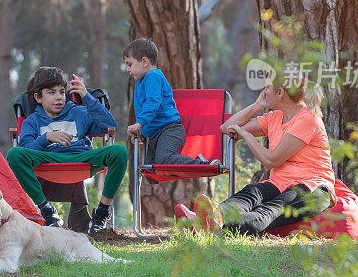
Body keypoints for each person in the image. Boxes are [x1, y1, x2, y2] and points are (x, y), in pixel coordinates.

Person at [190, 78, 335, 235]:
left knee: (269, 210)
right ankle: (212, 216)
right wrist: (257, 105)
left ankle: (218, 227)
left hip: (311, 186)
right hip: (279, 183)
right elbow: (226, 127)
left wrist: (246, 135)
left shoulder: (308, 119)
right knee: (251, 193)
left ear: (280, 93)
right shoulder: (274, 117)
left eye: (266, 88)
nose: (263, 92)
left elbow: (271, 160)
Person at [6, 66, 128, 235]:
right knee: (13, 154)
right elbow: (25, 149)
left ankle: (101, 213)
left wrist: (86, 97)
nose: (59, 98)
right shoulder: (32, 121)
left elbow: (110, 126)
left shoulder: (79, 112)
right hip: (49, 160)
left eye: (62, 92)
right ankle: (47, 211)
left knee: (119, 152)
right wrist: (46, 137)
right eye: (51, 92)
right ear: (38, 97)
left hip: (82, 159)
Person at [123, 38, 219, 166]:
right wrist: (141, 132)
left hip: (170, 130)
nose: (127, 69)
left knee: (164, 159)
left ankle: (203, 164)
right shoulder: (141, 81)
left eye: (129, 64)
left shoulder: (153, 76)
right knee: (150, 171)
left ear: (144, 62)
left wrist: (139, 124)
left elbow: (153, 103)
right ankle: (199, 161)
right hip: (154, 136)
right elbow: (147, 111)